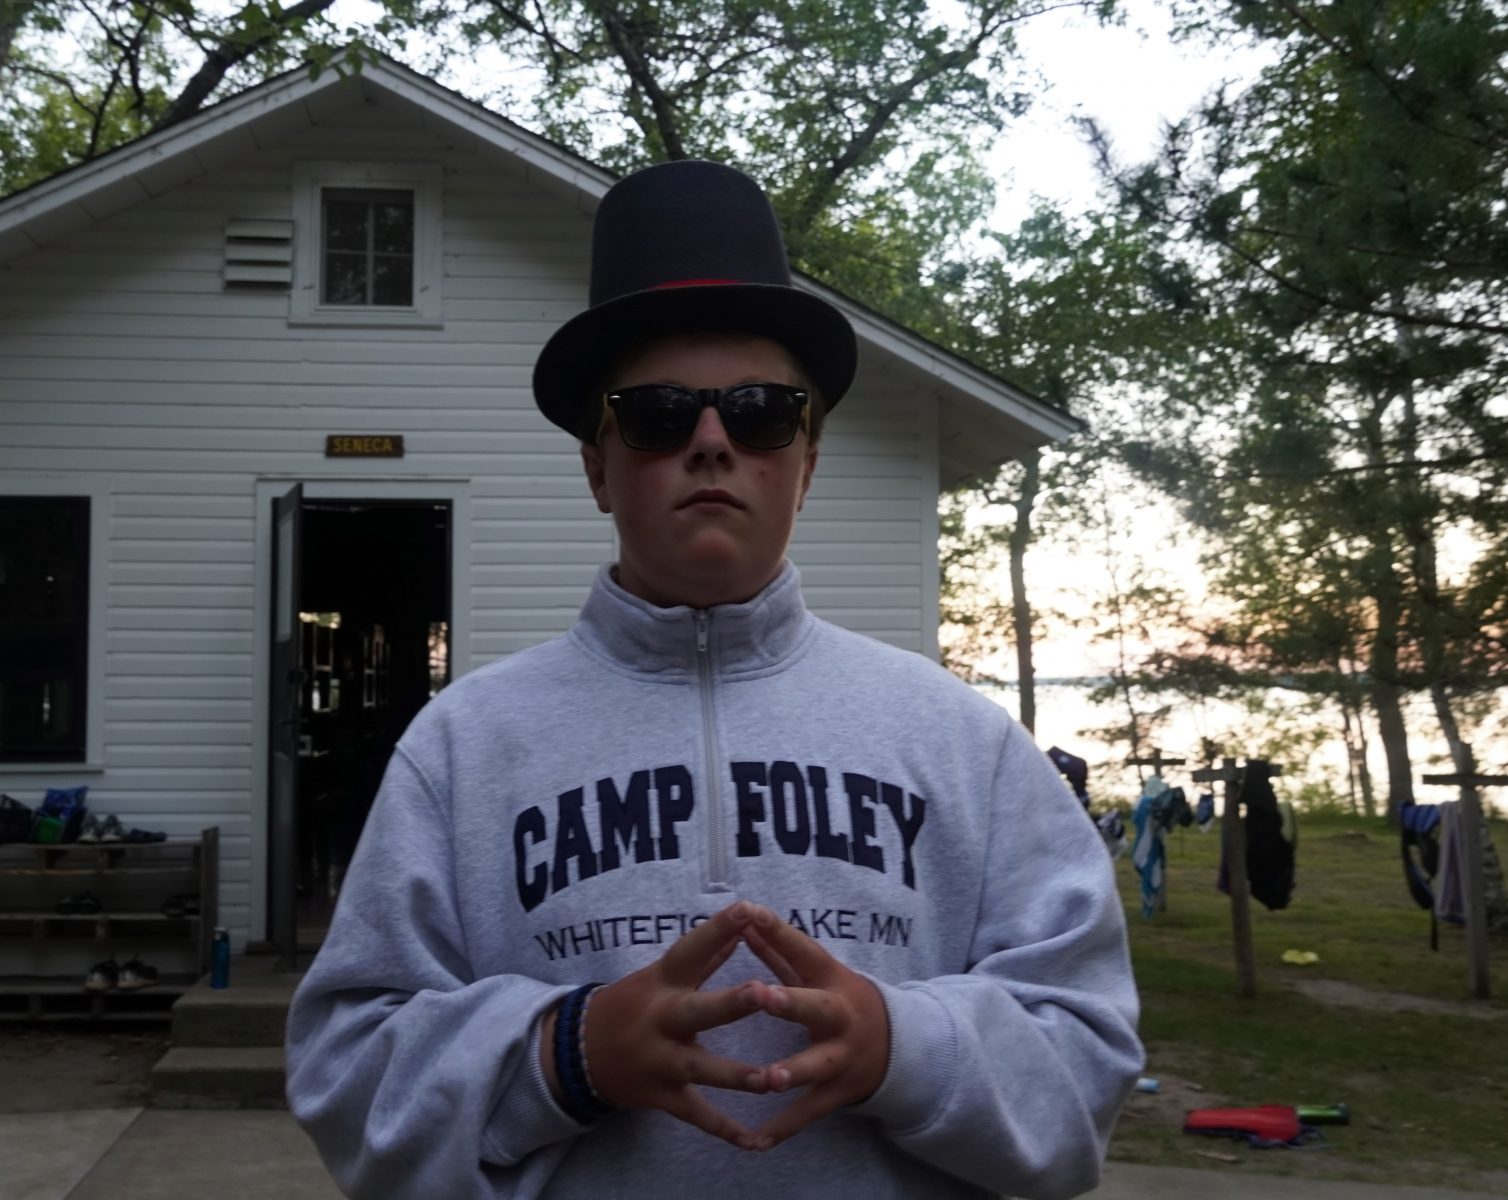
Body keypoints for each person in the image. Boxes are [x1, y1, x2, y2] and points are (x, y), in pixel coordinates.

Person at [286, 159, 1143, 1200]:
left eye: (758, 411)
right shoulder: (463, 747)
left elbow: (1087, 1063)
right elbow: (345, 1077)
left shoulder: (963, 743)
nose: (708, 442)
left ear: (807, 463)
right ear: (599, 467)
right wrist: (566, 1052)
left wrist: (901, 1043)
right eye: (654, 414)